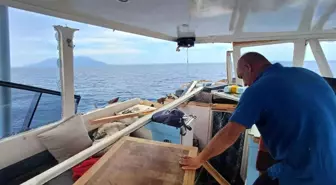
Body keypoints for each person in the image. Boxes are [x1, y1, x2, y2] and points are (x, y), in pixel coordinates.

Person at [179, 52, 336, 185]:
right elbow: (290, 116)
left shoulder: (259, 89)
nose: (245, 84)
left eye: (242, 77)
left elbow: (229, 134)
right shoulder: (308, 75)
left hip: (306, 173)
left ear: (248, 68)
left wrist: (199, 159)